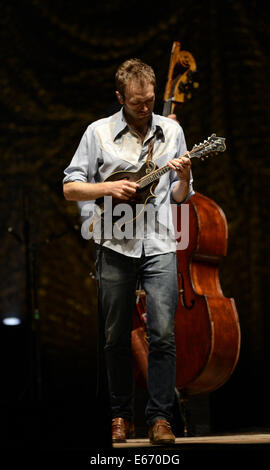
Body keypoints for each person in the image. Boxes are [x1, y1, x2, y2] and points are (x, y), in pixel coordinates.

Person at [63, 58, 194, 445]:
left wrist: (184, 178)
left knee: (163, 334)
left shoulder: (171, 130)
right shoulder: (97, 133)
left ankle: (159, 418)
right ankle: (121, 416)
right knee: (115, 336)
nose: (145, 107)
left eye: (150, 100)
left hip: (159, 243)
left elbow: (181, 197)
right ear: (120, 97)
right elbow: (71, 187)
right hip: (114, 243)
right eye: (137, 102)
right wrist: (107, 189)